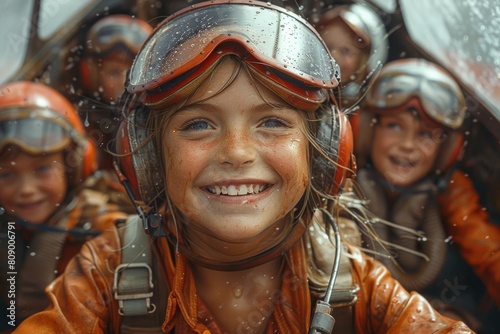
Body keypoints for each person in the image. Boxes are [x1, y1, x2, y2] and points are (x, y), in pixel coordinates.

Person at [13, 2, 472, 333]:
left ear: (323, 154)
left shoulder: (353, 283)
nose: (236, 152)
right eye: (197, 124)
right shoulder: (105, 272)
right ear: (148, 160)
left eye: (272, 122)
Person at [350, 58, 500, 333]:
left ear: (447, 150)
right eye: (394, 126)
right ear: (368, 130)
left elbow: (489, 252)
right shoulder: (342, 176)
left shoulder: (453, 191)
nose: (408, 145)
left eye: (426, 134)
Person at [0, 81, 131, 331]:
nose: (26, 189)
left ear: (72, 167)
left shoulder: (105, 235)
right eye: (6, 175)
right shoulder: (9, 228)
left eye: (42, 169)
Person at [77, 14, 153, 171]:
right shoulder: (84, 122)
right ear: (91, 75)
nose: (126, 83)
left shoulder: (156, 117)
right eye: (113, 73)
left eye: (134, 72)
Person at [314, 2, 388, 110]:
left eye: (346, 51)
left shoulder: (359, 117)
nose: (333, 56)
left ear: (364, 62)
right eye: (326, 46)